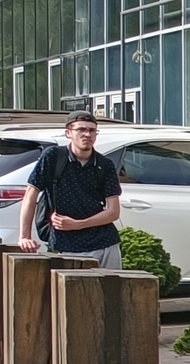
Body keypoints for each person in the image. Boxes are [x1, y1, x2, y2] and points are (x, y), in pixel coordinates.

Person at [16, 112, 124, 268]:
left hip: (106, 243)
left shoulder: (104, 164)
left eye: (92, 130)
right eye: (81, 129)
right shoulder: (53, 157)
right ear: (68, 133)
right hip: (66, 245)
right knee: (73, 291)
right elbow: (30, 196)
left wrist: (78, 224)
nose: (87, 134)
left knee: (112, 291)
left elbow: (113, 212)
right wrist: (24, 237)